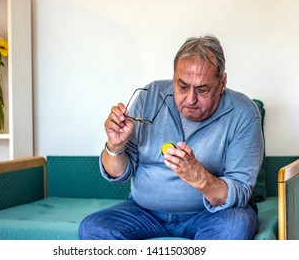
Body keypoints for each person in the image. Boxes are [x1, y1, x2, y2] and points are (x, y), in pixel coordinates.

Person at [79, 34, 264, 240]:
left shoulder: (244, 112)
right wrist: (115, 146)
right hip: (145, 213)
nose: (191, 99)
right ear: (174, 77)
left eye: (202, 89)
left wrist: (200, 177)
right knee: (93, 228)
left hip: (211, 215)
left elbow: (240, 191)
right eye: (182, 86)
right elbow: (119, 173)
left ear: (222, 82)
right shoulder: (149, 95)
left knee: (235, 226)